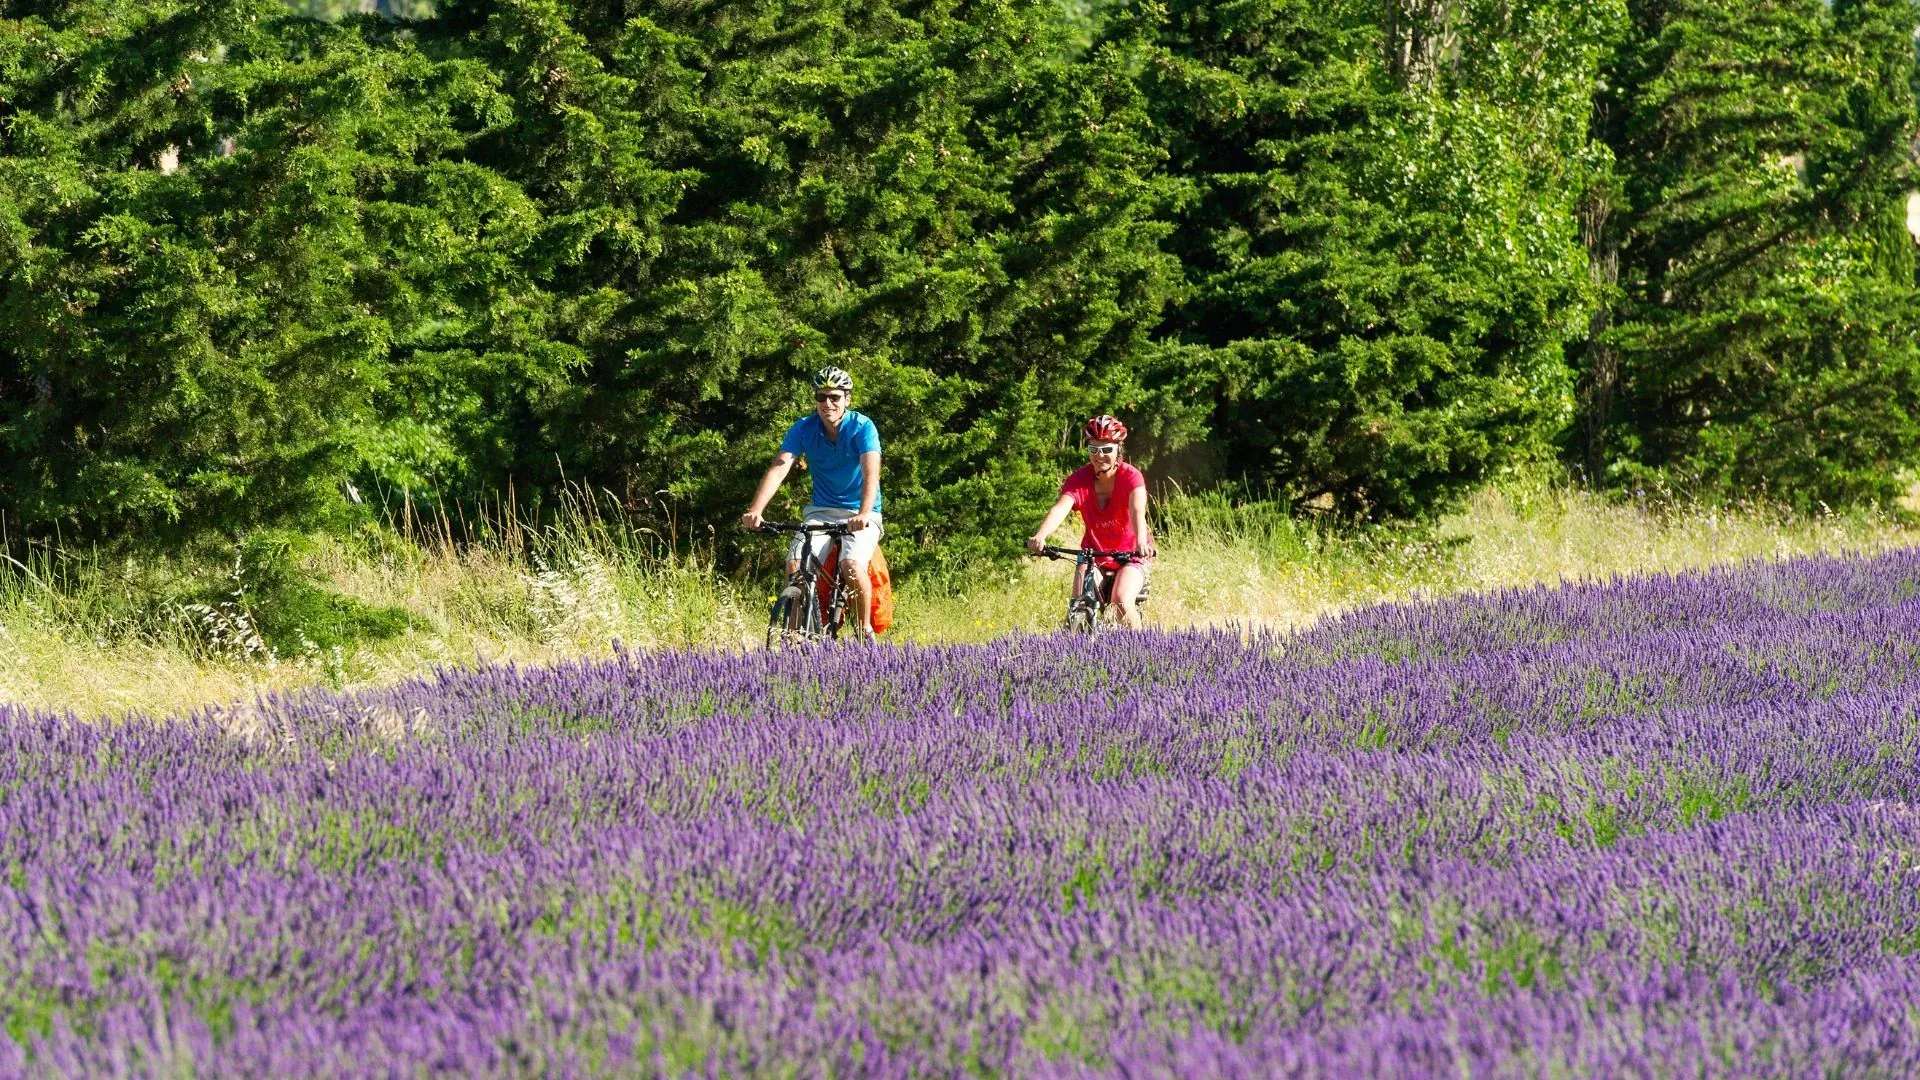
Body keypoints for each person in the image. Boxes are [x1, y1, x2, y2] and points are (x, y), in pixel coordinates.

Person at [741, 365, 883, 637]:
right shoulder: (804, 428)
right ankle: (794, 635)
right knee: (795, 565)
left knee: (851, 565)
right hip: (821, 510)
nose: (827, 403)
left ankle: (864, 631)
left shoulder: (863, 427)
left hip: (860, 512)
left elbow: (870, 472)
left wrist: (864, 513)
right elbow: (780, 466)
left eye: (834, 397)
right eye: (821, 397)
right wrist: (756, 510)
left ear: (847, 399)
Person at [1025, 414, 1158, 629]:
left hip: (1131, 554)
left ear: (1118, 449)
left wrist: (1141, 542)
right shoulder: (1079, 479)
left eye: (1106, 449)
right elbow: (1060, 509)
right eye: (1093, 449)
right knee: (1079, 605)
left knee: (1121, 600)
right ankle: (1075, 653)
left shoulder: (1132, 477)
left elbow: (1137, 511)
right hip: (1094, 554)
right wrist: (1040, 536)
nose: (1099, 456)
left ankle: (1140, 649)